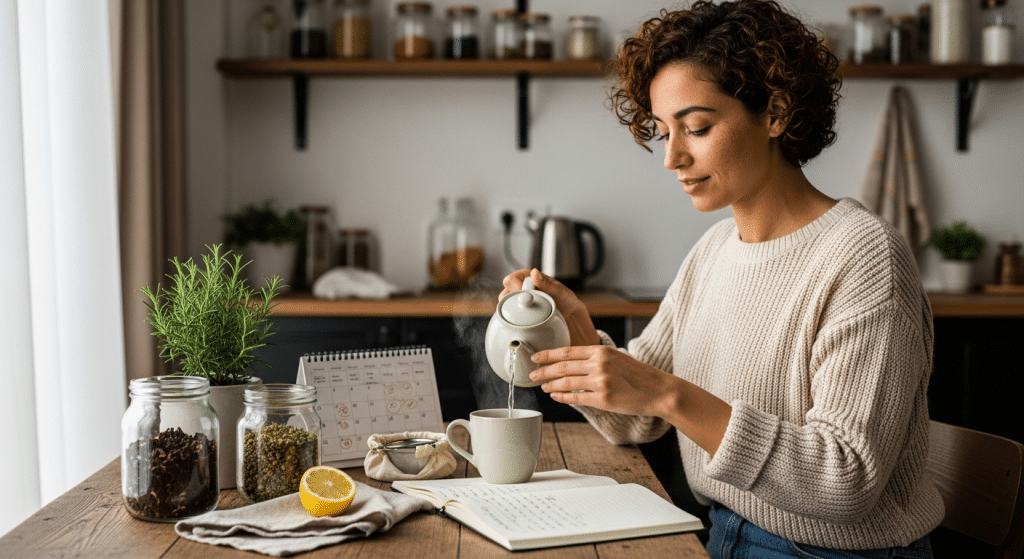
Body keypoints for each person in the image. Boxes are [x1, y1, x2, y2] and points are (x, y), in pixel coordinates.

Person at [499, 1, 944, 558]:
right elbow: (635, 422)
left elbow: (845, 478)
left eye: (698, 127)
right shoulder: (713, 251)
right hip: (722, 530)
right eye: (664, 133)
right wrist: (577, 332)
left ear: (776, 112)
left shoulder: (862, 257)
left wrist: (668, 393)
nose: (673, 158)